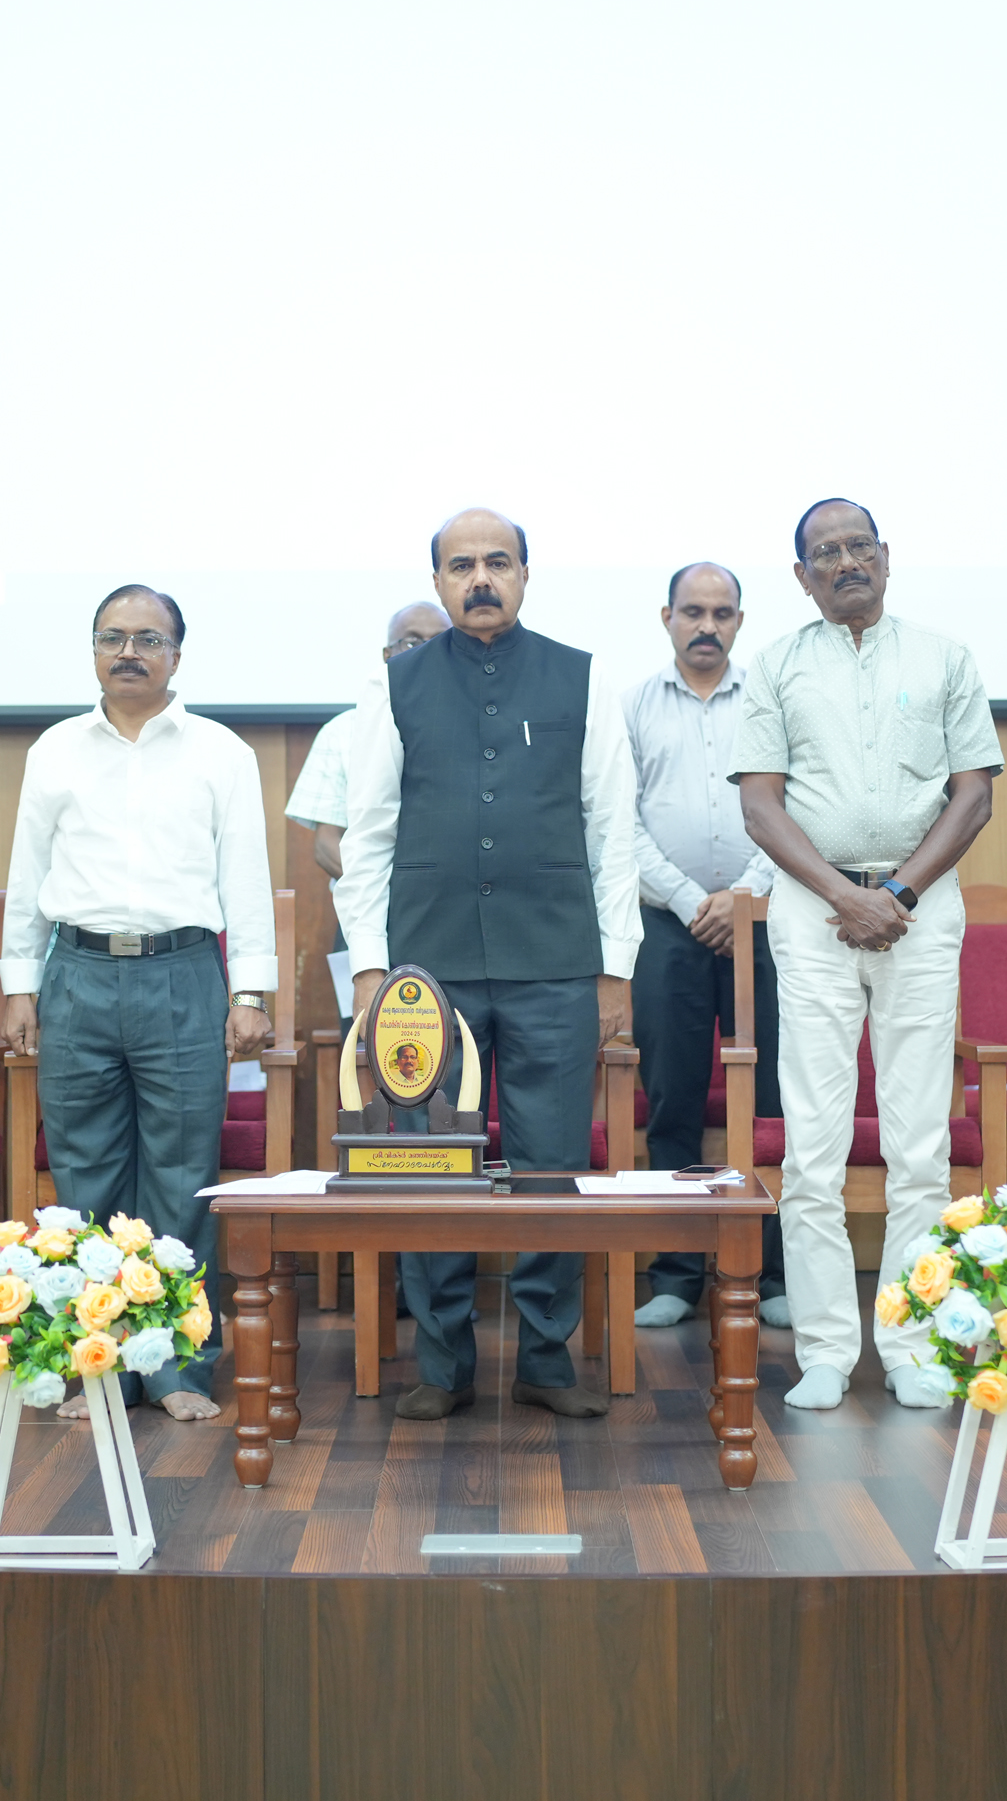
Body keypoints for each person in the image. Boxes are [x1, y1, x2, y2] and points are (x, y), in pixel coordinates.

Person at [336, 509, 640, 1421]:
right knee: (429, 1163)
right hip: (427, 972)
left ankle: (546, 1359)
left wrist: (616, 967)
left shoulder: (584, 677)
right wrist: (369, 968)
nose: (480, 579)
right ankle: (442, 1364)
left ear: (525, 575)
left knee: (551, 1164)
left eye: (497, 562)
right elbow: (368, 835)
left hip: (556, 961)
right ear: (437, 582)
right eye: (461, 565)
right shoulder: (394, 686)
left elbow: (612, 831)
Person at [733, 499, 999, 1412]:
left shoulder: (945, 658)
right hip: (813, 912)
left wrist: (900, 895)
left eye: (859, 546)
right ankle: (825, 1352)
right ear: (802, 576)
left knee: (920, 1144)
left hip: (922, 907)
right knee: (814, 1146)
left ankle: (913, 1346)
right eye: (826, 552)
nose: (846, 562)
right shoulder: (775, 666)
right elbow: (760, 806)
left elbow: (973, 797)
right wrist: (844, 895)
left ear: (886, 556)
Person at [0, 584, 278, 1422]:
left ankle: (177, 1367)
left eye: (147, 638)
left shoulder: (221, 752)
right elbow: (27, 873)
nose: (128, 652)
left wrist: (250, 991)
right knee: (85, 1175)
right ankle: (101, 1367)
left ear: (176, 656)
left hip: (182, 974)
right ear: (93, 651)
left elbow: (246, 878)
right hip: (76, 975)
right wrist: (19, 986)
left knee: (183, 1177)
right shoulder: (54, 749)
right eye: (111, 637)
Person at [624, 561, 786, 1329]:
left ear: (739, 622)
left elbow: (793, 805)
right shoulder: (633, 707)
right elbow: (618, 823)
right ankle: (676, 1274)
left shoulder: (770, 699)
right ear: (668, 617)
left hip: (767, 920)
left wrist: (743, 898)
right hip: (667, 924)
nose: (707, 627)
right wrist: (695, 902)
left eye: (722, 614)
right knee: (673, 1099)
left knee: (777, 1102)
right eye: (693, 612)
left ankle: (776, 1274)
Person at [286, 601, 450, 886]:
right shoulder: (342, 731)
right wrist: (385, 896)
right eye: (411, 642)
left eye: (439, 641)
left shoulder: (481, 725)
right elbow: (327, 845)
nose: (425, 651)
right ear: (388, 655)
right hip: (369, 905)